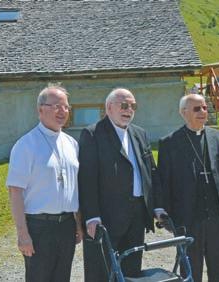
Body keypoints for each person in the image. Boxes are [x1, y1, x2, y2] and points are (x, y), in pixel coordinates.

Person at [78, 88, 164, 281]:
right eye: (124, 105)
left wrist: (156, 206)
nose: (129, 110)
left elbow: (151, 173)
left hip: (137, 217)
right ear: (109, 107)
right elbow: (86, 179)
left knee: (132, 271)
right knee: (101, 272)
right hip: (105, 219)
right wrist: (91, 217)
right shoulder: (92, 134)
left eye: (133, 106)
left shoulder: (140, 134)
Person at [158, 94, 219, 282]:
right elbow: (164, 183)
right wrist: (168, 217)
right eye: (197, 109)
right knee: (190, 269)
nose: (203, 112)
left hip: (217, 216)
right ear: (183, 112)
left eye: (204, 107)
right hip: (187, 217)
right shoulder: (169, 143)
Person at [6, 86, 83, 282]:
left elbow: (75, 188)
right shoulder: (26, 145)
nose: (62, 111)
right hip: (39, 227)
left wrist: (78, 223)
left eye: (66, 107)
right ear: (40, 110)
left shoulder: (71, 143)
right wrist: (23, 234)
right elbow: (15, 192)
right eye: (56, 106)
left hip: (66, 226)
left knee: (62, 278)